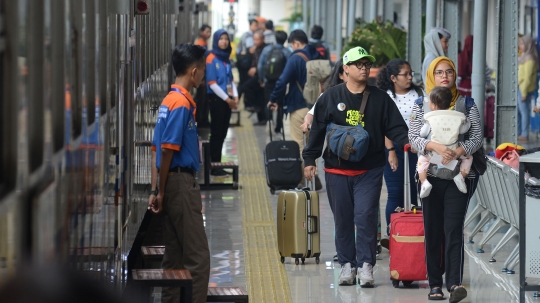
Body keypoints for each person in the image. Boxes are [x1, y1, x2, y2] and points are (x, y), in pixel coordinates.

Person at [302, 46, 409, 287]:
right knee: (343, 219)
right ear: (345, 69)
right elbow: (317, 130)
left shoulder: (381, 98)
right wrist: (309, 159)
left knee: (365, 216)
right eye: (358, 64)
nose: (364, 68)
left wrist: (410, 142)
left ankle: (366, 265)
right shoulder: (330, 97)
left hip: (369, 170)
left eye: (367, 64)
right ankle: (347, 265)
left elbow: (396, 128)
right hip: (336, 170)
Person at [409, 56, 482, 302]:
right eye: (439, 72)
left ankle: (454, 284)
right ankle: (434, 284)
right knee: (433, 230)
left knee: (453, 229)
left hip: (459, 176)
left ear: (454, 75)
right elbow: (414, 137)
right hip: (429, 175)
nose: (444, 76)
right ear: (431, 75)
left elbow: (476, 137)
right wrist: (436, 147)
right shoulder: (422, 103)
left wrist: (459, 151)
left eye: (449, 72)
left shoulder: (467, 103)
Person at [148, 43, 210, 303]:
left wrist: (156, 190)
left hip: (170, 184)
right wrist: (161, 192)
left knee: (173, 257)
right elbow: (167, 151)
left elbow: (157, 150)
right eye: (203, 71)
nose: (204, 76)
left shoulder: (167, 101)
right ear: (194, 72)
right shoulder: (181, 103)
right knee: (198, 258)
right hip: (180, 185)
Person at [375, 58, 423, 241]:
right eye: (405, 74)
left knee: (414, 191)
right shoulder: (385, 96)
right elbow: (384, 125)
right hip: (393, 148)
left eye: (411, 74)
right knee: (395, 192)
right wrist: (391, 152)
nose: (409, 77)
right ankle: (392, 233)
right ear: (394, 77)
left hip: (416, 149)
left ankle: (411, 233)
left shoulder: (419, 94)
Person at [268, 29, 321, 157]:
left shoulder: (296, 58)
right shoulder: (316, 55)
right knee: (313, 146)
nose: (292, 48)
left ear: (296, 43)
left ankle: (303, 176)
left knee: (300, 145)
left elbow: (282, 81)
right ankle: (314, 176)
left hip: (300, 106)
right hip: (318, 107)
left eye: (291, 45)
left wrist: (273, 98)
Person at [416, 86, 472, 198]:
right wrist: (468, 121)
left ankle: (424, 182)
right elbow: (464, 129)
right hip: (454, 153)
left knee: (422, 160)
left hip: (433, 154)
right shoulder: (456, 117)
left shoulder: (430, 118)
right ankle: (461, 176)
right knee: (469, 157)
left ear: (432, 105)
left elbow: (422, 133)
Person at [206, 30, 239, 176]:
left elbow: (230, 80)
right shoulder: (211, 58)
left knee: (223, 132)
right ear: (216, 41)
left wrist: (236, 97)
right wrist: (228, 100)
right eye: (221, 39)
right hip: (217, 100)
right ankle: (213, 165)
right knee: (217, 133)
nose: (224, 42)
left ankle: (218, 164)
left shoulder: (226, 59)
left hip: (227, 100)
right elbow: (212, 83)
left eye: (226, 39)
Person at [301, 58, 347, 132]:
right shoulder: (329, 95)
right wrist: (307, 122)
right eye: (347, 73)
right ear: (340, 75)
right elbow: (311, 114)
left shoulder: (369, 95)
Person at [258, 30, 291, 132]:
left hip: (268, 80)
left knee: (268, 101)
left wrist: (262, 79)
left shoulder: (267, 49)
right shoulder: (287, 52)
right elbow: (289, 68)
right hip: (281, 82)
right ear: (285, 40)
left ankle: (269, 122)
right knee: (280, 103)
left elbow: (260, 66)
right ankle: (278, 127)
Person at [240, 30, 267, 124]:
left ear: (263, 39)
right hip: (257, 75)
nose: (256, 41)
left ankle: (255, 107)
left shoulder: (265, 49)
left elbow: (262, 64)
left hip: (262, 76)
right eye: (254, 39)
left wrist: (255, 69)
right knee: (260, 96)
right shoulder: (256, 49)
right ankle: (262, 118)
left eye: (258, 39)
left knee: (246, 87)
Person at [518, 35, 539, 141]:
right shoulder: (524, 56)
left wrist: (524, 93)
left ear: (528, 45)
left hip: (524, 89)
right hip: (520, 88)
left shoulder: (530, 58)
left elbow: (527, 78)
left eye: (522, 44)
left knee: (524, 111)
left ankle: (524, 134)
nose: (520, 46)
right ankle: (519, 132)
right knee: (519, 111)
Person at [236, 19, 259, 87]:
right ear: (250, 26)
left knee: (242, 81)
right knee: (244, 82)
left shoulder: (245, 34)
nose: (256, 27)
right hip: (245, 61)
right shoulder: (249, 35)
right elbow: (251, 50)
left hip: (241, 60)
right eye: (255, 25)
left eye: (257, 26)